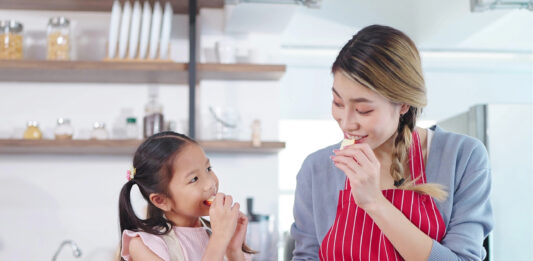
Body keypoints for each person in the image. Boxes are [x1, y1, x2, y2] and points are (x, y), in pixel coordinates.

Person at [290, 25, 493, 260]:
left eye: (363, 110)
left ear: (403, 104)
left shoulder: (462, 157)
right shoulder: (316, 169)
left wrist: (375, 203)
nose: (346, 123)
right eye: (337, 103)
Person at [118, 131, 255, 261]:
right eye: (194, 179)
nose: (210, 183)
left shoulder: (219, 235)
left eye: (208, 169)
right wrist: (219, 239)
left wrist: (234, 251)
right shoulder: (143, 246)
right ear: (161, 200)